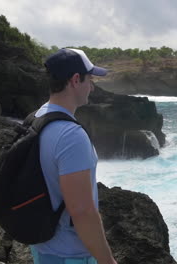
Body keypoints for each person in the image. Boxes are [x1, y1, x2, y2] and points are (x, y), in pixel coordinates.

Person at [30, 48, 117, 264]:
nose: (92, 86)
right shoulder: (70, 135)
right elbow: (82, 211)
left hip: (42, 248)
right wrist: (108, 261)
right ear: (76, 80)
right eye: (90, 79)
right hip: (70, 256)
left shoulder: (37, 118)